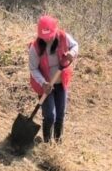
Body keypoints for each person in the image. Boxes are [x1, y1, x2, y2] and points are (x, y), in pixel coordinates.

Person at [28, 15, 78, 143]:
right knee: (50, 116)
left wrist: (71, 54)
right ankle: (47, 143)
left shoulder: (63, 37)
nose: (47, 41)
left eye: (49, 37)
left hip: (61, 83)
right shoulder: (35, 48)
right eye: (44, 38)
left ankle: (57, 141)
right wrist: (43, 83)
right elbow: (33, 69)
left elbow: (75, 46)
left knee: (60, 115)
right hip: (45, 85)